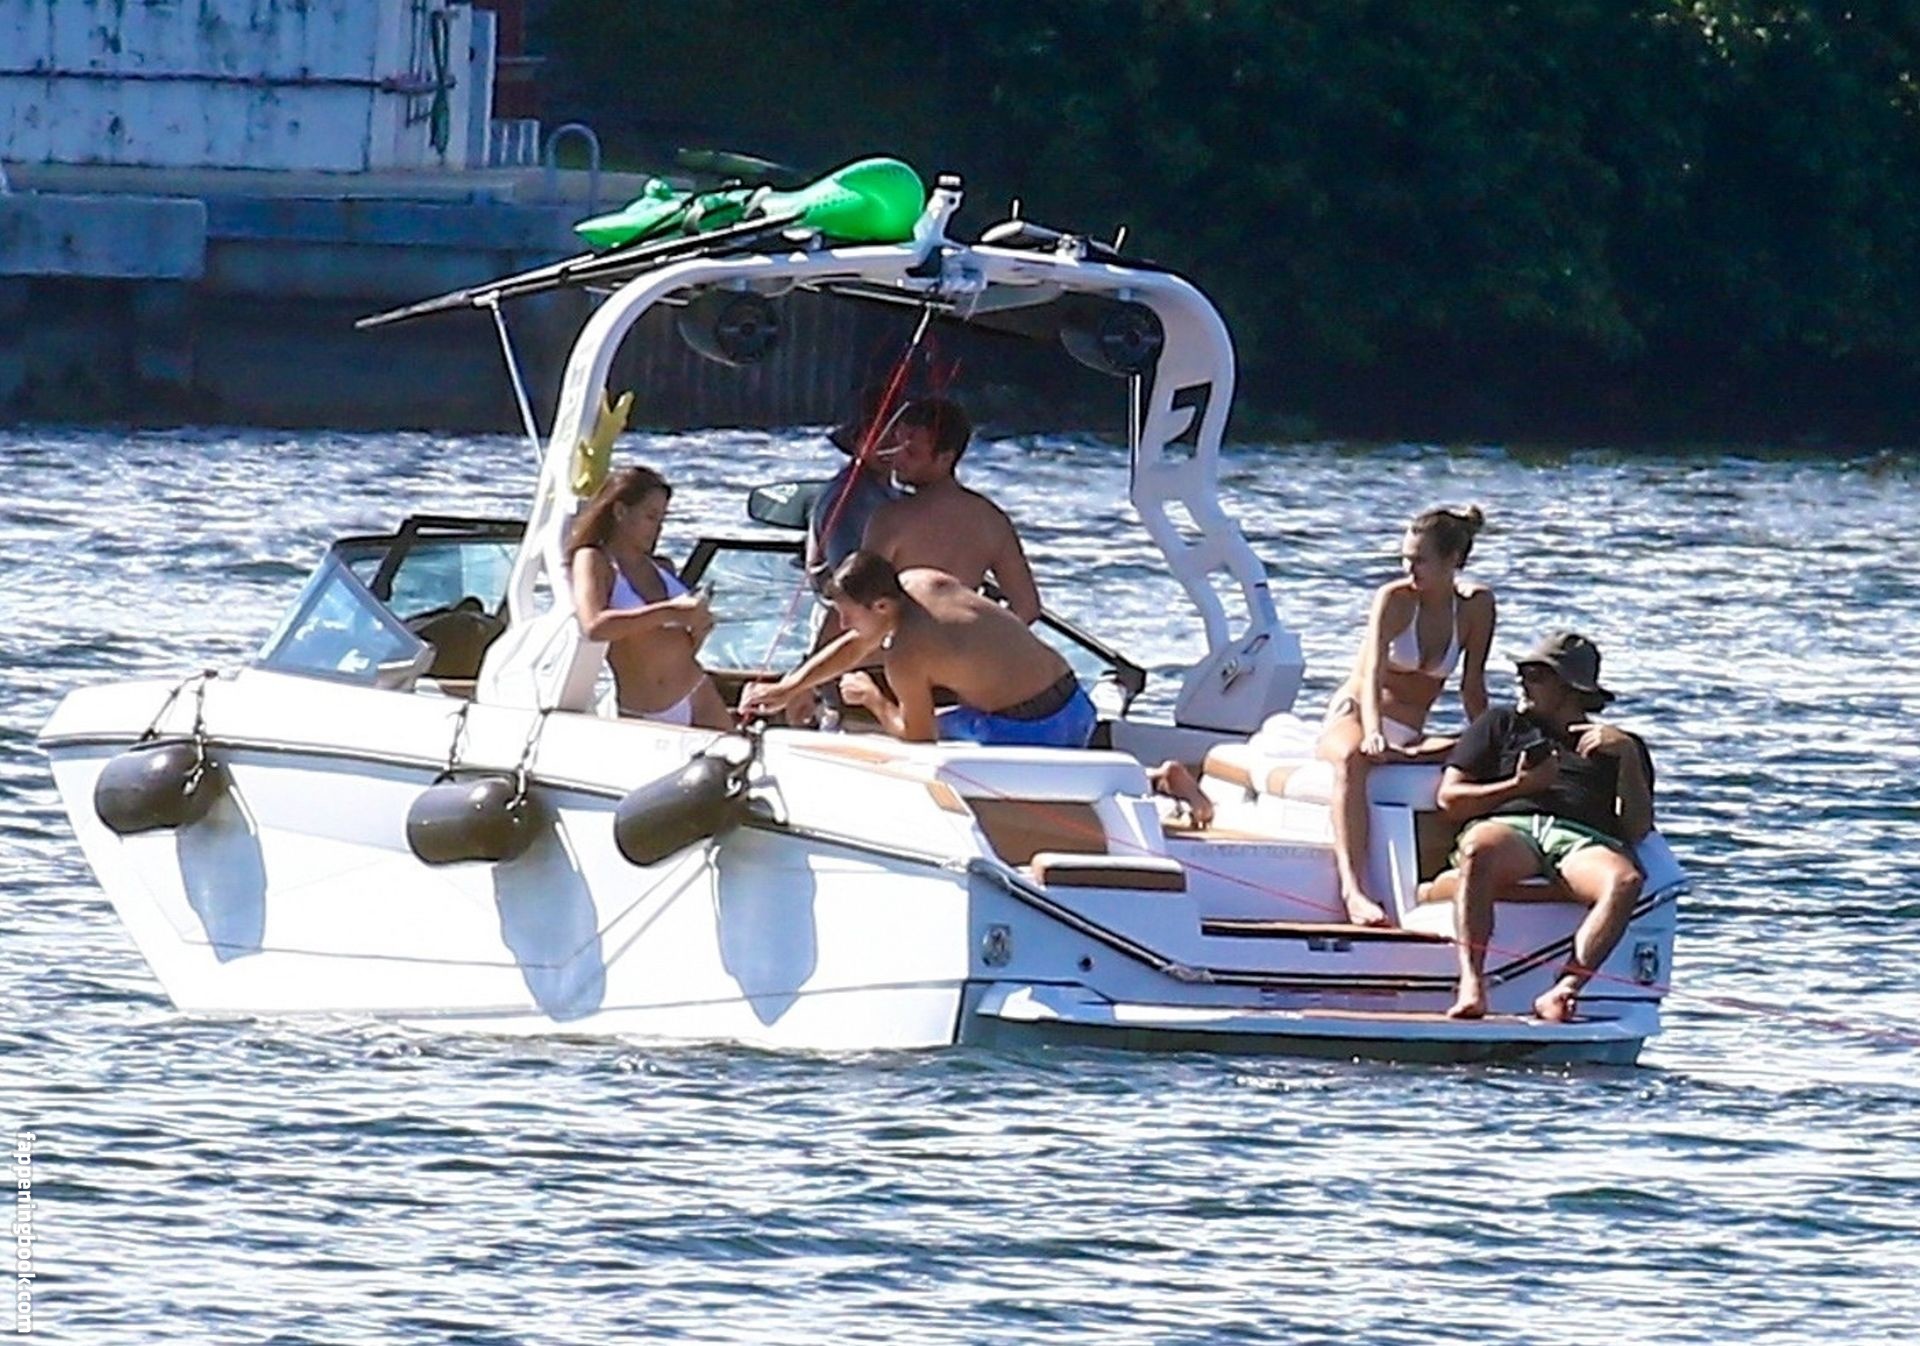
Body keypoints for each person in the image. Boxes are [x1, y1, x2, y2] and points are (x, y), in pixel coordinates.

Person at [1433, 632, 1654, 1022]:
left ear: (1571, 688)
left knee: (1625, 880)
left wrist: (1628, 758)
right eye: (1522, 672)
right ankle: (1472, 984)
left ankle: (1564, 988)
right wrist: (1519, 787)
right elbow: (1450, 800)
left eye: (1536, 675)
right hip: (1512, 827)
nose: (1522, 681)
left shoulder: (1619, 745)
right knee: (1479, 848)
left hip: (1580, 837)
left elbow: (1636, 829)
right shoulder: (1502, 723)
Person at [1316, 505, 1496, 927]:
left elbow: (1472, 687)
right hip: (1358, 713)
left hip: (1410, 732)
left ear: (1453, 560)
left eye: (1419, 560)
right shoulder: (1395, 600)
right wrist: (1372, 733)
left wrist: (1491, 740)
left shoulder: (1476, 607)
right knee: (1353, 759)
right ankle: (1353, 891)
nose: (1408, 569)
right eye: (1405, 559)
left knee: (1469, 752)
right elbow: (1371, 675)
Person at [739, 551, 1093, 747]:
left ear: (881, 606)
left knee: (886, 742)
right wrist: (790, 686)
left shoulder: (906, 658)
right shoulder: (920, 580)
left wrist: (873, 700)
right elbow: (857, 643)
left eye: (848, 615)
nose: (843, 625)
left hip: (1035, 732)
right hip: (1078, 705)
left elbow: (919, 739)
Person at [567, 465, 730, 730]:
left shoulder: (662, 567)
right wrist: (670, 611)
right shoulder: (594, 560)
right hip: (643, 709)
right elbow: (594, 626)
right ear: (620, 511)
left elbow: (669, 646)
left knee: (735, 755)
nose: (658, 528)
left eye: (662, 519)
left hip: (698, 692)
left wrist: (697, 628)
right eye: (651, 517)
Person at [861, 397, 1043, 623]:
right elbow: (1027, 607)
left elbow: (862, 599)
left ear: (946, 458)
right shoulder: (992, 520)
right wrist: (981, 637)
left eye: (911, 453)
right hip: (961, 641)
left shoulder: (891, 518)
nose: (897, 459)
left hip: (902, 641)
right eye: (896, 445)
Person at [805, 383, 903, 595]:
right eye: (875, 435)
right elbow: (849, 583)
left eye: (896, 434)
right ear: (855, 441)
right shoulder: (852, 500)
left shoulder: (890, 492)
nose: (887, 445)